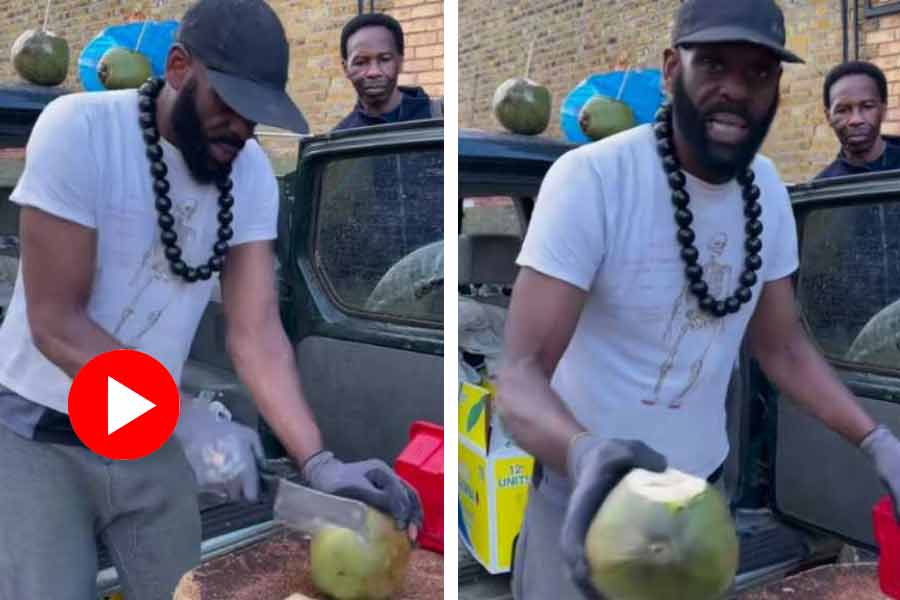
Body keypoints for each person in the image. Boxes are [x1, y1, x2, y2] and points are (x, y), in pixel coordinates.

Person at [0, 1, 420, 599]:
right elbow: (55, 322)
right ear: (178, 69)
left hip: (148, 432)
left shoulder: (246, 175)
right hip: (39, 432)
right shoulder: (80, 130)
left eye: (257, 116)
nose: (244, 129)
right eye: (231, 105)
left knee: (186, 590)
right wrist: (186, 417)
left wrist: (319, 463)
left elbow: (255, 333)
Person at [496, 1, 900, 599]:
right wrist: (584, 454)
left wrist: (877, 441)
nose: (734, 89)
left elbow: (782, 345)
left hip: (701, 514)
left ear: (778, 88)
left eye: (758, 72)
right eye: (712, 64)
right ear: (669, 70)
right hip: (584, 505)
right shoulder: (593, 180)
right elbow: (519, 376)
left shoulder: (766, 190)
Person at [333, 12, 441, 131]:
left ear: (400, 62)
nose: (374, 72)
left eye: (384, 59)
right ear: (346, 68)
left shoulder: (439, 119)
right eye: (360, 62)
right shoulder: (341, 140)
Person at [817, 60, 900, 179]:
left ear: (883, 110)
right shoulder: (823, 189)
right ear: (828, 117)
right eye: (843, 110)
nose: (856, 120)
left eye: (867, 107)